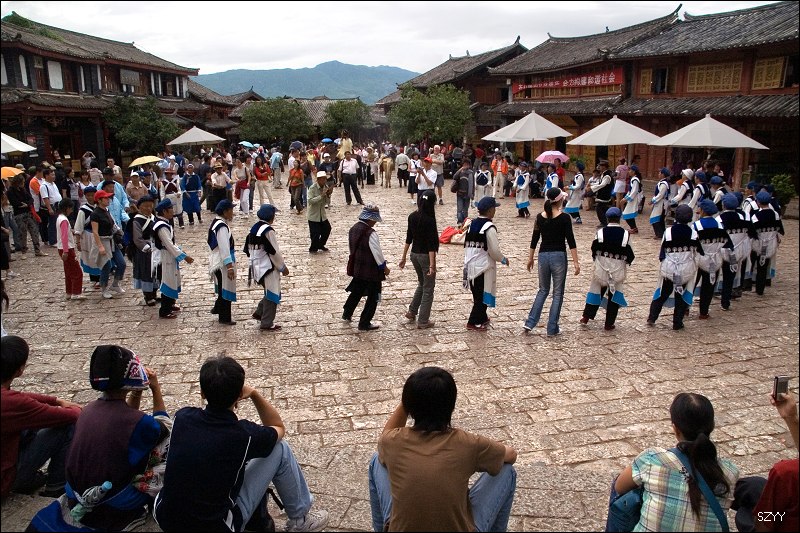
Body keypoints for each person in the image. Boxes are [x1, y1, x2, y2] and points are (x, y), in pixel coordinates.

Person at [153, 355, 328, 532]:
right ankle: (300, 520)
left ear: (202, 393)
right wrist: (254, 394)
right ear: (238, 397)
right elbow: (278, 427)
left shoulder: (183, 417)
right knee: (279, 448)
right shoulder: (243, 435)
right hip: (215, 526)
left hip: (167, 518)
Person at [369, 366, 517, 532]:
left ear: (409, 405)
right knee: (506, 470)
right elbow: (511, 455)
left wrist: (408, 401)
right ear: (451, 406)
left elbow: (384, 438)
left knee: (377, 461)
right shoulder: (468, 443)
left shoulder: (392, 442)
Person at [61, 345, 167, 531]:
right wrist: (155, 388)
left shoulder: (87, 410)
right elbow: (164, 427)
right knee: (164, 448)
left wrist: (136, 392)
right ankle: (141, 512)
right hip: (111, 502)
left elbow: (126, 421)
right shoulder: (139, 422)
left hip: (74, 495)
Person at [610, 392, 738, 532]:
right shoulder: (730, 473)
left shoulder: (652, 459)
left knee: (628, 482)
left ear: (675, 429)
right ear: (712, 426)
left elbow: (619, 487)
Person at [1, 335, 81, 499]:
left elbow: (20, 397)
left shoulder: (9, 398)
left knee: (32, 427)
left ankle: (30, 478)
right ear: (20, 370)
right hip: (5, 479)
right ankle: (56, 486)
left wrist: (55, 400)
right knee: (67, 426)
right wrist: (76, 408)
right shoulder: (11, 403)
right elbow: (72, 415)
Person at [732, 391, 798, 533]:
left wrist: (760, 515)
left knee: (745, 514)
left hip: (783, 520)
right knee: (753, 485)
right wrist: (791, 418)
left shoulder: (787, 473)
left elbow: (765, 525)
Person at [523, 187, 580, 336]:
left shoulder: (539, 217)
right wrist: (576, 262)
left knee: (543, 290)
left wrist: (530, 258)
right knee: (558, 293)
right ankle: (552, 327)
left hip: (543, 255)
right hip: (559, 256)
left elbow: (534, 239)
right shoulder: (565, 218)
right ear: (559, 200)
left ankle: (530, 322)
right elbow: (571, 240)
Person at [647, 204, 703, 331]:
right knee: (681, 296)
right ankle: (677, 322)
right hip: (685, 269)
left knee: (663, 293)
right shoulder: (693, 234)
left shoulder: (668, 232)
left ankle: (652, 317)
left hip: (670, 268)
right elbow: (698, 251)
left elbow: (662, 252)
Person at [579, 207, 634, 331]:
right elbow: (630, 254)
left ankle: (586, 316)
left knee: (595, 291)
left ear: (607, 218)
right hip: (617, 269)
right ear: (619, 218)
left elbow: (594, 249)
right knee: (614, 296)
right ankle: (609, 323)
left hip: (601, 267)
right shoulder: (626, 235)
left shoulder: (600, 233)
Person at [464, 197, 508, 331]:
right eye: (494, 208)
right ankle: (473, 322)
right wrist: (502, 259)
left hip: (470, 265)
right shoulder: (489, 227)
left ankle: (482, 317)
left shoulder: (471, 224)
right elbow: (494, 250)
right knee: (481, 296)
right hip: (483, 267)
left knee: (477, 294)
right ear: (490, 211)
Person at [343, 205, 389, 331]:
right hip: (371, 270)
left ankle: (347, 312)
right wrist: (384, 267)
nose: (375, 222)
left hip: (358, 268)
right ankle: (365, 322)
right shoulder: (371, 233)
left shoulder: (353, 229)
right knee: (375, 296)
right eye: (374, 220)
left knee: (357, 291)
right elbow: (377, 253)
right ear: (370, 219)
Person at [398, 190, 439, 329]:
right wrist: (432, 266)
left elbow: (408, 238)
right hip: (425, 257)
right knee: (428, 288)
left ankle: (412, 311)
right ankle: (423, 320)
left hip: (414, 255)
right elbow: (431, 245)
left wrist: (403, 257)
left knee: (422, 283)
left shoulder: (412, 216)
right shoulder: (430, 220)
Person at [246, 204, 290, 332]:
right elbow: (274, 252)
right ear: (271, 216)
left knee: (269, 291)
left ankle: (259, 312)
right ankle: (266, 322)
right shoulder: (268, 231)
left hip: (256, 266)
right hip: (267, 267)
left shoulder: (255, 227)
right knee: (272, 294)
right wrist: (282, 267)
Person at [152, 199, 194, 319]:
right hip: (163, 257)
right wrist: (184, 257)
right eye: (170, 209)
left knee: (172, 280)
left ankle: (170, 304)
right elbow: (168, 244)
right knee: (167, 282)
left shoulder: (165, 223)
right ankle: (164, 310)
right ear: (164, 211)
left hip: (169, 256)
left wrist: (181, 252)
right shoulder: (161, 226)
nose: (173, 210)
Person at [692, 200, 733, 320]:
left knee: (691, 283)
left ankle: (685, 308)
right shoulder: (720, 226)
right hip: (715, 258)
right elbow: (727, 244)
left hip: (698, 258)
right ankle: (703, 312)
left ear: (703, 211)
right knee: (709, 287)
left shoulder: (696, 226)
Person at [716, 193, 756, 309]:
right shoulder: (744, 218)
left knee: (720, 274)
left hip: (723, 250)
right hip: (739, 250)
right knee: (730, 276)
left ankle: (721, 297)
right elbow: (752, 233)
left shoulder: (719, 219)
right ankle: (726, 299)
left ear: (724, 205)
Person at [89, 189, 126, 300]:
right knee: (106, 266)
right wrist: (100, 246)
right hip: (102, 240)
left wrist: (120, 234)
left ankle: (115, 284)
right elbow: (95, 231)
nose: (108, 200)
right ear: (99, 200)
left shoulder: (107, 211)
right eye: (105, 198)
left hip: (111, 240)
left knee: (121, 263)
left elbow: (113, 225)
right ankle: (104, 288)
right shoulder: (95, 214)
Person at [208, 200, 237, 325]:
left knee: (221, 287)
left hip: (217, 260)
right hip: (222, 262)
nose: (232, 213)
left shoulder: (217, 222)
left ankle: (218, 308)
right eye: (231, 210)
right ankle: (224, 317)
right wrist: (229, 267)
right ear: (225, 212)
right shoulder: (222, 227)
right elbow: (224, 248)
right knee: (225, 288)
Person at [750, 190, 784, 296]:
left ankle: (751, 284)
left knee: (754, 263)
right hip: (771, 243)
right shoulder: (775, 214)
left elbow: (752, 232)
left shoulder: (756, 216)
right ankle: (761, 288)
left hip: (758, 243)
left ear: (758, 202)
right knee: (764, 266)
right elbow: (780, 229)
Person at [129, 196, 159, 307]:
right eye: (145, 206)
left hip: (156, 248)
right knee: (146, 272)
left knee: (155, 272)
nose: (148, 208)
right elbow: (137, 238)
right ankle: (148, 296)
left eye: (150, 206)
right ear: (139, 207)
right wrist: (147, 248)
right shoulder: (137, 221)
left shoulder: (154, 218)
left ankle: (154, 293)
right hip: (144, 251)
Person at [7, 174, 45, 256]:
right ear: (18, 182)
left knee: (34, 231)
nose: (23, 184)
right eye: (22, 182)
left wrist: (27, 204)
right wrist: (24, 203)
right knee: (22, 233)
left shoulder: (23, 189)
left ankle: (37, 250)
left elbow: (31, 199)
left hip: (28, 213)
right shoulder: (10, 191)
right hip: (19, 214)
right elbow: (15, 203)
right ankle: (23, 252)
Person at [55, 199, 85, 301]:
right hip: (67, 248)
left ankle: (69, 291)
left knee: (68, 271)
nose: (71, 211)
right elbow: (64, 236)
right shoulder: (64, 220)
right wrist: (66, 251)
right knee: (77, 271)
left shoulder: (60, 218)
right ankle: (76, 292)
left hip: (61, 247)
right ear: (67, 208)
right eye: (71, 208)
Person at [307, 171, 333, 254]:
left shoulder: (325, 187)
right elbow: (310, 201)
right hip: (313, 215)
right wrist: (321, 196)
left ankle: (320, 244)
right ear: (318, 180)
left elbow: (327, 202)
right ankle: (313, 249)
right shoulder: (312, 188)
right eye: (322, 179)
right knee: (315, 233)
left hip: (322, 214)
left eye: (325, 179)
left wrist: (328, 195)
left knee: (327, 229)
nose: (324, 181)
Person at [590, 160, 614, 227]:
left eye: (600, 166)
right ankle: (607, 221)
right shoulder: (603, 174)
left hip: (605, 194)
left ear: (604, 167)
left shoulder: (607, 176)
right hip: (603, 194)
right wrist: (592, 185)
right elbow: (600, 183)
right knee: (603, 208)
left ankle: (604, 222)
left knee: (599, 208)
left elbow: (602, 185)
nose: (599, 167)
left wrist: (592, 188)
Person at [649, 168, 672, 239]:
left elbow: (660, 195)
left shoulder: (664, 184)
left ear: (663, 174)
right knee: (660, 219)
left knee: (655, 219)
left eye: (660, 173)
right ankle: (662, 233)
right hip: (660, 203)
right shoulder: (663, 183)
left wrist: (653, 200)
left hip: (661, 203)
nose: (658, 174)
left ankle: (660, 234)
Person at [452, 159, 475, 224]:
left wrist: (472, 194)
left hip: (467, 194)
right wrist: (460, 170)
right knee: (459, 209)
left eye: (467, 164)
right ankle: (460, 221)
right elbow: (454, 177)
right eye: (464, 164)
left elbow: (472, 185)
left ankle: (464, 221)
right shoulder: (460, 172)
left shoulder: (471, 173)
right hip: (460, 193)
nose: (465, 166)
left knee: (465, 209)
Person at [621, 165, 642, 233]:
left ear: (634, 171)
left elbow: (634, 191)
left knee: (627, 214)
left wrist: (627, 199)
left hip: (634, 199)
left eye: (630, 170)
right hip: (632, 199)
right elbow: (630, 191)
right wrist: (625, 198)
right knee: (629, 214)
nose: (629, 171)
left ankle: (634, 228)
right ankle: (634, 228)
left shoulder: (635, 180)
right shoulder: (633, 179)